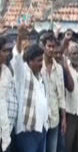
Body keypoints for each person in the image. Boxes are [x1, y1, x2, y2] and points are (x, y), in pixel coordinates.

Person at [13, 24, 48, 152]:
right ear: (30, 61)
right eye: (38, 61)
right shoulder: (22, 74)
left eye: (41, 60)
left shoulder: (40, 77)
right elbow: (17, 59)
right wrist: (19, 39)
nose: (41, 64)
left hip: (41, 129)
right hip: (27, 132)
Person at [40, 33, 66, 152]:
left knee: (52, 149)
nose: (51, 49)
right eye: (49, 46)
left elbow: (61, 96)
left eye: (53, 46)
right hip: (40, 119)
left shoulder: (59, 68)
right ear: (43, 47)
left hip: (55, 118)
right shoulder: (38, 66)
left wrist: (64, 119)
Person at [65, 42, 78, 152]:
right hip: (70, 113)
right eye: (72, 54)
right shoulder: (65, 69)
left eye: (77, 53)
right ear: (68, 55)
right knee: (68, 145)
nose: (75, 56)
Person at [0, 37, 14, 152]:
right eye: (4, 51)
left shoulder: (7, 72)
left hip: (5, 131)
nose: (7, 54)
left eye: (7, 51)